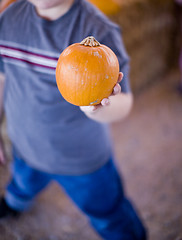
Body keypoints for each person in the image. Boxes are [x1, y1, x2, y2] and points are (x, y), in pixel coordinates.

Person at [0, 0, 147, 239]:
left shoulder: (99, 30)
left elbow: (124, 103)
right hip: (25, 146)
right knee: (23, 183)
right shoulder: (8, 19)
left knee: (106, 212)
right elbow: (2, 77)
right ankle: (16, 202)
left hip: (80, 160)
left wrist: (95, 108)